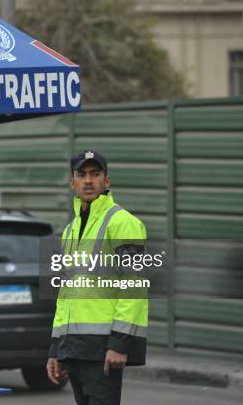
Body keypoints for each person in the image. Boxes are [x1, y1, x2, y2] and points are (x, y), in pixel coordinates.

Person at [47, 150, 148, 405]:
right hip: (75, 349)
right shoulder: (70, 231)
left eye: (95, 174)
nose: (88, 180)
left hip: (104, 349)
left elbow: (133, 285)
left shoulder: (123, 222)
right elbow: (65, 292)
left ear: (107, 181)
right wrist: (56, 348)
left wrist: (119, 343)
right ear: (73, 183)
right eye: (82, 174)